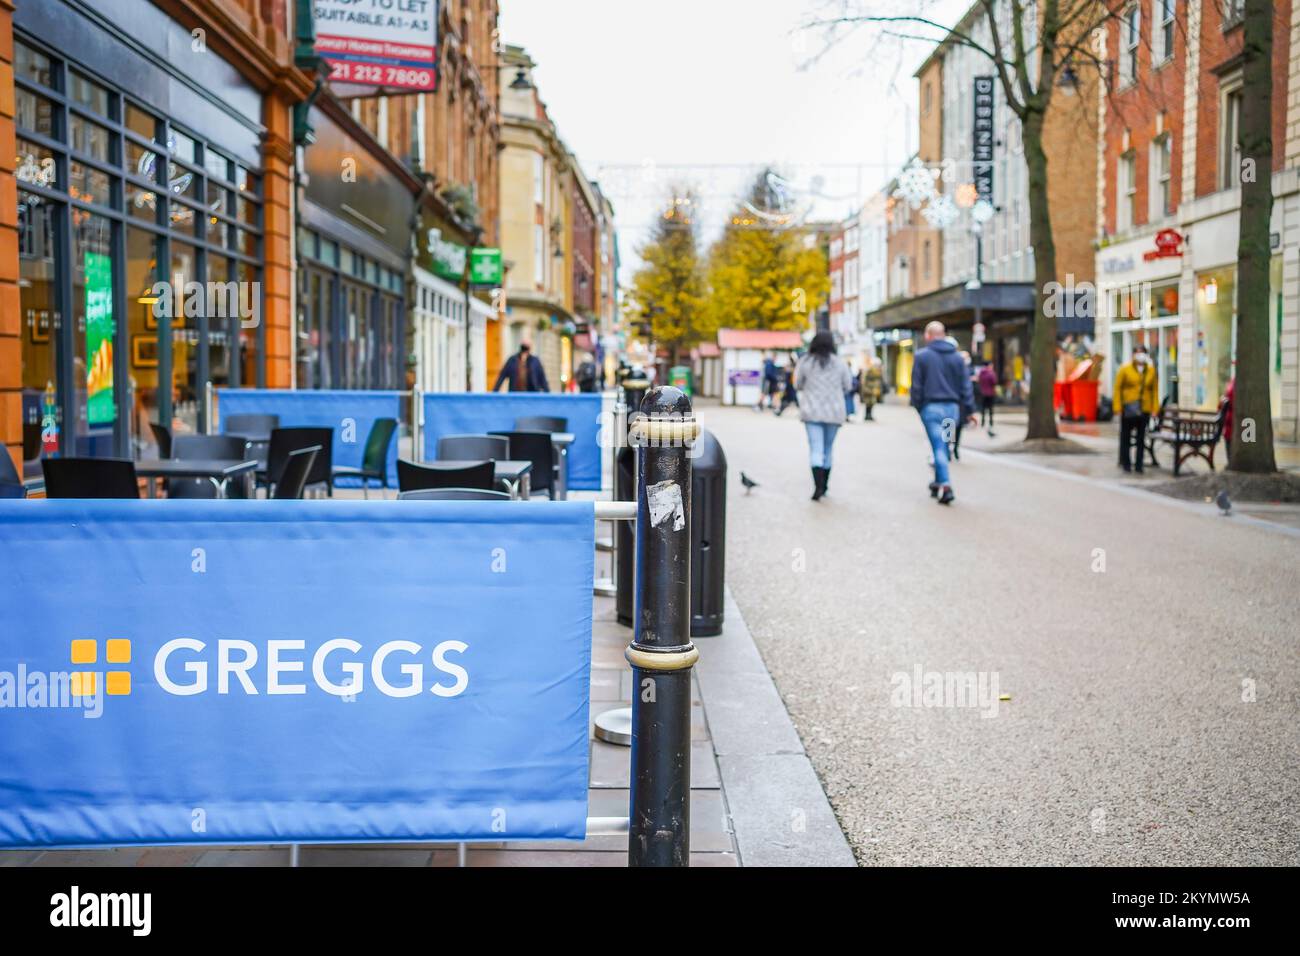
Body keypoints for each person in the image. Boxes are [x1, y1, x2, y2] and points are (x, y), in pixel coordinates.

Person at [910, 321, 976, 505]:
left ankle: (945, 485)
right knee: (944, 445)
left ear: (929, 335)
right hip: (951, 411)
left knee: (938, 447)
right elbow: (966, 386)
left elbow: (916, 386)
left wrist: (919, 406)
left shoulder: (922, 356)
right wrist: (969, 409)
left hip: (931, 409)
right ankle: (938, 481)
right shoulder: (957, 358)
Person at [794, 331, 854, 501]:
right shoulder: (840, 363)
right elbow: (848, 385)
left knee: (815, 449)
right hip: (834, 412)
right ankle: (825, 486)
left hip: (812, 411)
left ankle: (817, 486)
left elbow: (798, 384)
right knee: (828, 449)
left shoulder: (805, 362)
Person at [1112, 344, 1159, 473]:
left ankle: (1139, 465)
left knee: (1141, 438)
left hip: (1144, 408)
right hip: (1128, 408)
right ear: (1133, 354)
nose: (1140, 355)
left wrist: (1155, 408)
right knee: (1126, 437)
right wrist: (1117, 407)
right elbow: (1117, 389)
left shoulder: (1150, 370)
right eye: (1138, 352)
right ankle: (1126, 464)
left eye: (1142, 352)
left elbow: (1154, 390)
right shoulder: (1124, 369)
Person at [950, 350, 974, 461]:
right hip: (956, 403)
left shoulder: (951, 369)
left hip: (956, 403)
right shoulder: (962, 371)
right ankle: (951, 448)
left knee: (954, 426)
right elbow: (967, 390)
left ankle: (952, 448)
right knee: (952, 426)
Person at [977, 362, 998, 434]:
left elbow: (979, 381)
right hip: (990, 393)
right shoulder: (991, 373)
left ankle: (983, 422)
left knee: (983, 409)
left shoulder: (981, 373)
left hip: (983, 393)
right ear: (989, 366)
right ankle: (991, 422)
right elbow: (994, 382)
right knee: (990, 409)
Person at [860, 356, 883, 421]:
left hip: (873, 389)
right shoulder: (869, 371)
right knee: (868, 403)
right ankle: (867, 415)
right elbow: (864, 381)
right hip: (868, 389)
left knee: (872, 403)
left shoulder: (877, 371)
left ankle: (869, 415)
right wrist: (866, 389)